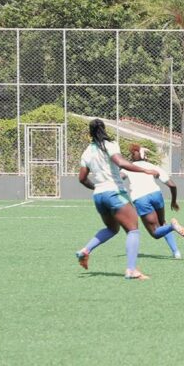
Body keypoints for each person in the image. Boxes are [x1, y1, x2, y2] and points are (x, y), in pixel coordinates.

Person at [75, 119, 158, 280]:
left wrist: (97, 187)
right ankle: (131, 270)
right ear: (104, 130)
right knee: (133, 230)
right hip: (114, 192)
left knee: (112, 229)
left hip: (99, 195)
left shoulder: (86, 152)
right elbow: (121, 162)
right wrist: (145, 170)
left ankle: (85, 250)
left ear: (90, 133)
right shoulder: (110, 145)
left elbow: (82, 178)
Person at [121, 144, 184, 259]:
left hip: (141, 198)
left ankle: (173, 227)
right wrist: (173, 201)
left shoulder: (129, 167)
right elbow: (172, 185)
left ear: (134, 155)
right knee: (162, 223)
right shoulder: (153, 166)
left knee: (155, 233)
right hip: (156, 194)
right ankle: (176, 252)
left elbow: (119, 177)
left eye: (132, 154)